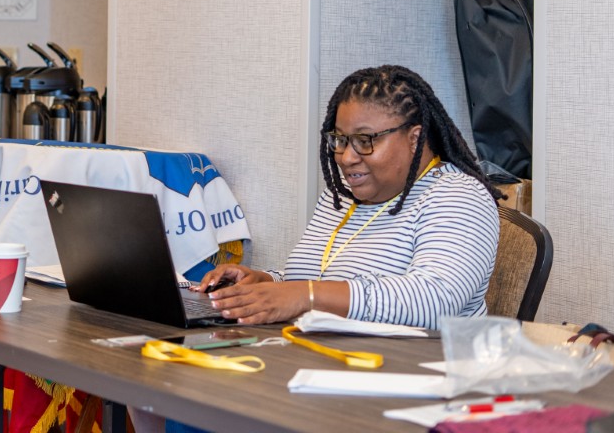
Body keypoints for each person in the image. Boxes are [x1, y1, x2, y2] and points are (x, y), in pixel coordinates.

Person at [196, 65, 499, 329]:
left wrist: (305, 296)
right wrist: (266, 284)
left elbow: (436, 301)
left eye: (364, 141)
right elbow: (323, 277)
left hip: (415, 368)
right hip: (324, 358)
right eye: (340, 140)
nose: (345, 157)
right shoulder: (342, 194)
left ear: (414, 138)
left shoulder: (459, 196)